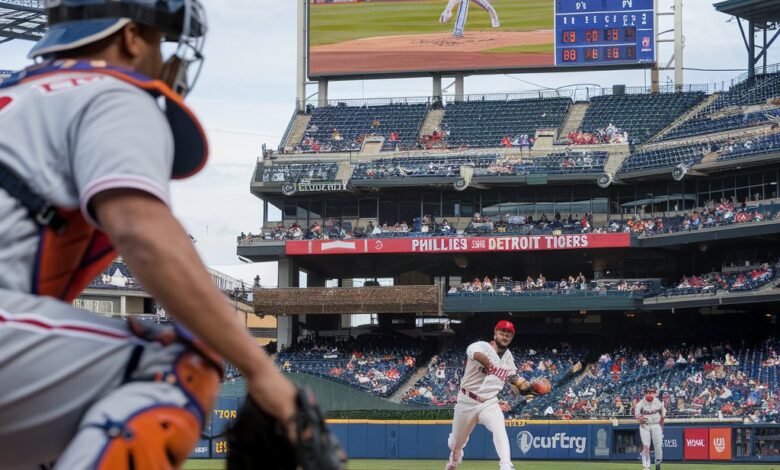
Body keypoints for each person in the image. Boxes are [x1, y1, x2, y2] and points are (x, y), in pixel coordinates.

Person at [0, 1, 300, 467]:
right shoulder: (111, 91)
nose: (165, 55)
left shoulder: (18, 96)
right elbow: (142, 232)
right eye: (161, 39)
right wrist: (261, 370)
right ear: (131, 36)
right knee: (179, 364)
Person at [445, 320, 535, 470]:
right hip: (467, 400)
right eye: (502, 332)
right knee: (455, 443)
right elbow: (473, 353)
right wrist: (489, 365)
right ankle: (455, 454)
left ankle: (506, 465)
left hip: (489, 402)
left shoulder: (508, 358)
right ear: (495, 334)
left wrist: (527, 388)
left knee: (500, 428)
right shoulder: (482, 346)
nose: (505, 336)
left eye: (509, 334)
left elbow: (514, 380)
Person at [635, 386, 666, 470]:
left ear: (655, 393)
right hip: (645, 425)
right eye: (647, 392)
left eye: (651, 392)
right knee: (646, 445)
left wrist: (661, 428)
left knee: (658, 446)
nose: (649, 394)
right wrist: (639, 419)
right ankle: (646, 466)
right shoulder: (640, 403)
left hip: (656, 425)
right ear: (644, 393)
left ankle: (658, 462)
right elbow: (637, 415)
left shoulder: (658, 403)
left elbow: (663, 416)